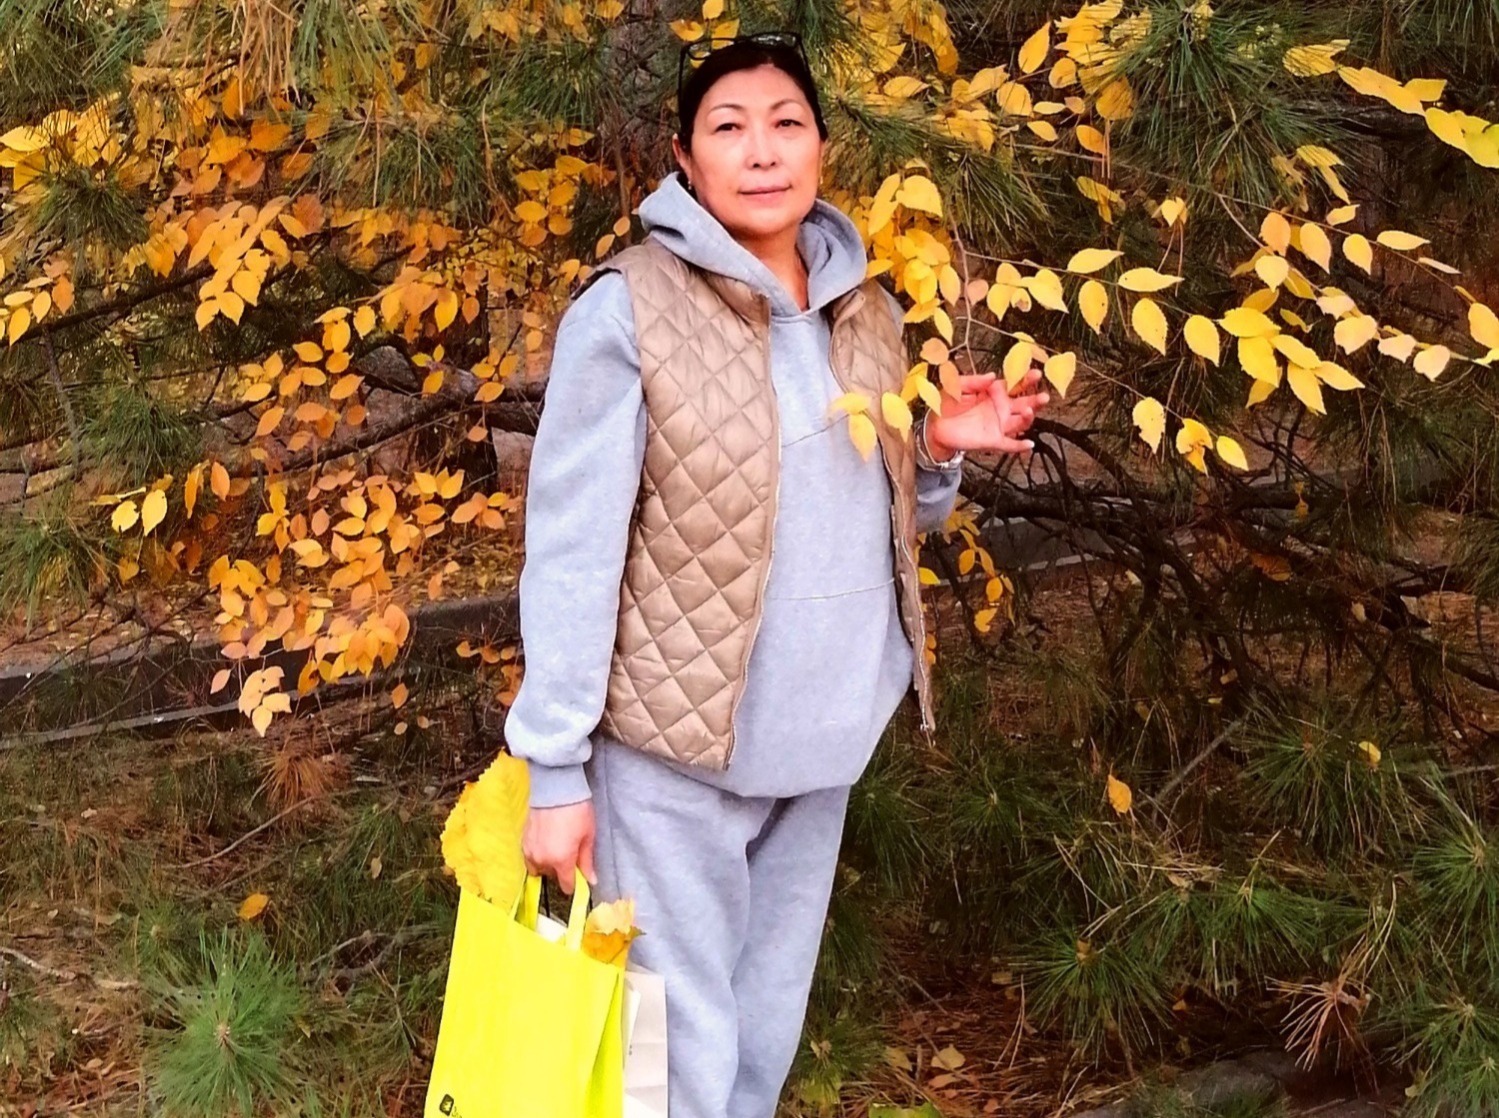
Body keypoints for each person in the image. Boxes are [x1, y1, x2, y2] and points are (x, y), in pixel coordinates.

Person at [503, 31, 1048, 1118]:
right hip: (672, 760)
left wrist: (933, 448)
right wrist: (555, 771)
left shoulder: (865, 309)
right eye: (729, 127)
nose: (761, 151)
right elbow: (570, 550)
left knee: (756, 1047)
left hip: (819, 745)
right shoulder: (629, 310)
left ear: (820, 147)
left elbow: (873, 515)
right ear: (683, 158)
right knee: (669, 1064)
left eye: (785, 123)